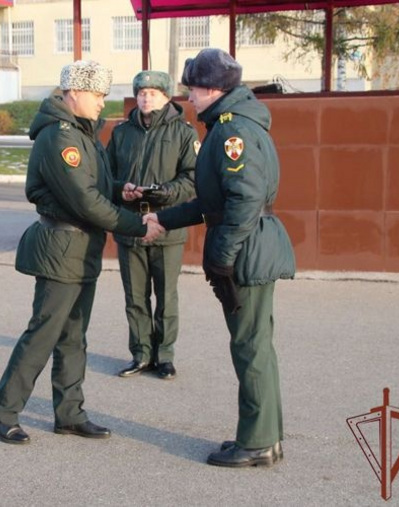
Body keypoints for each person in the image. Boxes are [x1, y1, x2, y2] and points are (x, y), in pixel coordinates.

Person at [0, 60, 164, 445]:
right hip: (62, 247)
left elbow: (94, 184)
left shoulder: (83, 133)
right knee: (43, 334)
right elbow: (83, 199)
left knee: (73, 336)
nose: (103, 102)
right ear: (74, 93)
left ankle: (69, 413)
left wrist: (122, 190)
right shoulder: (60, 137)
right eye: (98, 95)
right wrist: (137, 224)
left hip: (82, 248)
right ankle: (3, 411)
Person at [144, 48, 295, 467]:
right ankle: (263, 436)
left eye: (191, 89)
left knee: (250, 346)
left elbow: (244, 200)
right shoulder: (230, 125)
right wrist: (164, 218)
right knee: (254, 345)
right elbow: (212, 201)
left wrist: (223, 256)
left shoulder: (233, 133)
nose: (188, 98)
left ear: (211, 89)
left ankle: (259, 442)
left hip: (247, 250)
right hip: (249, 244)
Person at [107, 70, 198, 380]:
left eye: (153, 92)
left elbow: (192, 178)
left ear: (166, 96)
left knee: (166, 296)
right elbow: (106, 177)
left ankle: (165, 356)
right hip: (130, 222)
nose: (146, 97)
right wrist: (121, 188)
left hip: (166, 224)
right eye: (142, 92)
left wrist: (167, 192)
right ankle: (141, 354)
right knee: (135, 296)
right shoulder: (121, 133)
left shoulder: (183, 133)